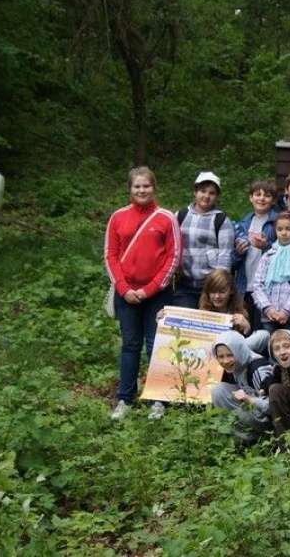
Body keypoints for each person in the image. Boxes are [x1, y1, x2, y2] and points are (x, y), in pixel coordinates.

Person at [105, 167, 181, 420]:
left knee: (157, 346)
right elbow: (111, 255)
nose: (141, 191)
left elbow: (174, 256)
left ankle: (158, 400)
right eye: (137, 187)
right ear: (130, 189)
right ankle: (125, 398)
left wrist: (150, 289)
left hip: (157, 294)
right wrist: (124, 289)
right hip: (126, 294)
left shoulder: (166, 217)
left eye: (146, 186)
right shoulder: (118, 217)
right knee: (130, 345)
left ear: (154, 188)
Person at [173, 171, 235, 309]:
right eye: (202, 191)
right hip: (184, 285)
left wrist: (218, 287)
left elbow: (225, 256)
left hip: (209, 289)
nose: (206, 196)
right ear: (195, 192)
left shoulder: (221, 220)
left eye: (211, 193)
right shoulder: (180, 215)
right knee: (184, 325)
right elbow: (172, 246)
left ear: (216, 196)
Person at [252, 211, 290, 337]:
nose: (284, 233)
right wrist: (268, 308)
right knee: (271, 350)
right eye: (279, 229)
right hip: (269, 316)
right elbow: (257, 284)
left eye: (288, 229)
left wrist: (287, 310)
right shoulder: (268, 255)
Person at [211, 330, 274, 444]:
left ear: (238, 351)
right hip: (250, 405)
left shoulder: (258, 370)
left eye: (230, 355)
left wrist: (250, 400)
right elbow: (263, 335)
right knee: (218, 391)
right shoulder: (241, 349)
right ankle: (232, 435)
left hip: (269, 419)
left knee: (243, 411)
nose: (225, 361)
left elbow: (274, 406)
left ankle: (256, 441)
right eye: (221, 356)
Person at [233, 179, 279, 330]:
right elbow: (232, 260)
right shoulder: (243, 223)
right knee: (244, 329)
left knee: (263, 332)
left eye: (267, 195)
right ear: (250, 197)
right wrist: (238, 253)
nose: (261, 198)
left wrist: (266, 246)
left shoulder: (277, 222)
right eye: (257, 194)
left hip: (267, 289)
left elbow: (285, 253)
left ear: (273, 200)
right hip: (244, 287)